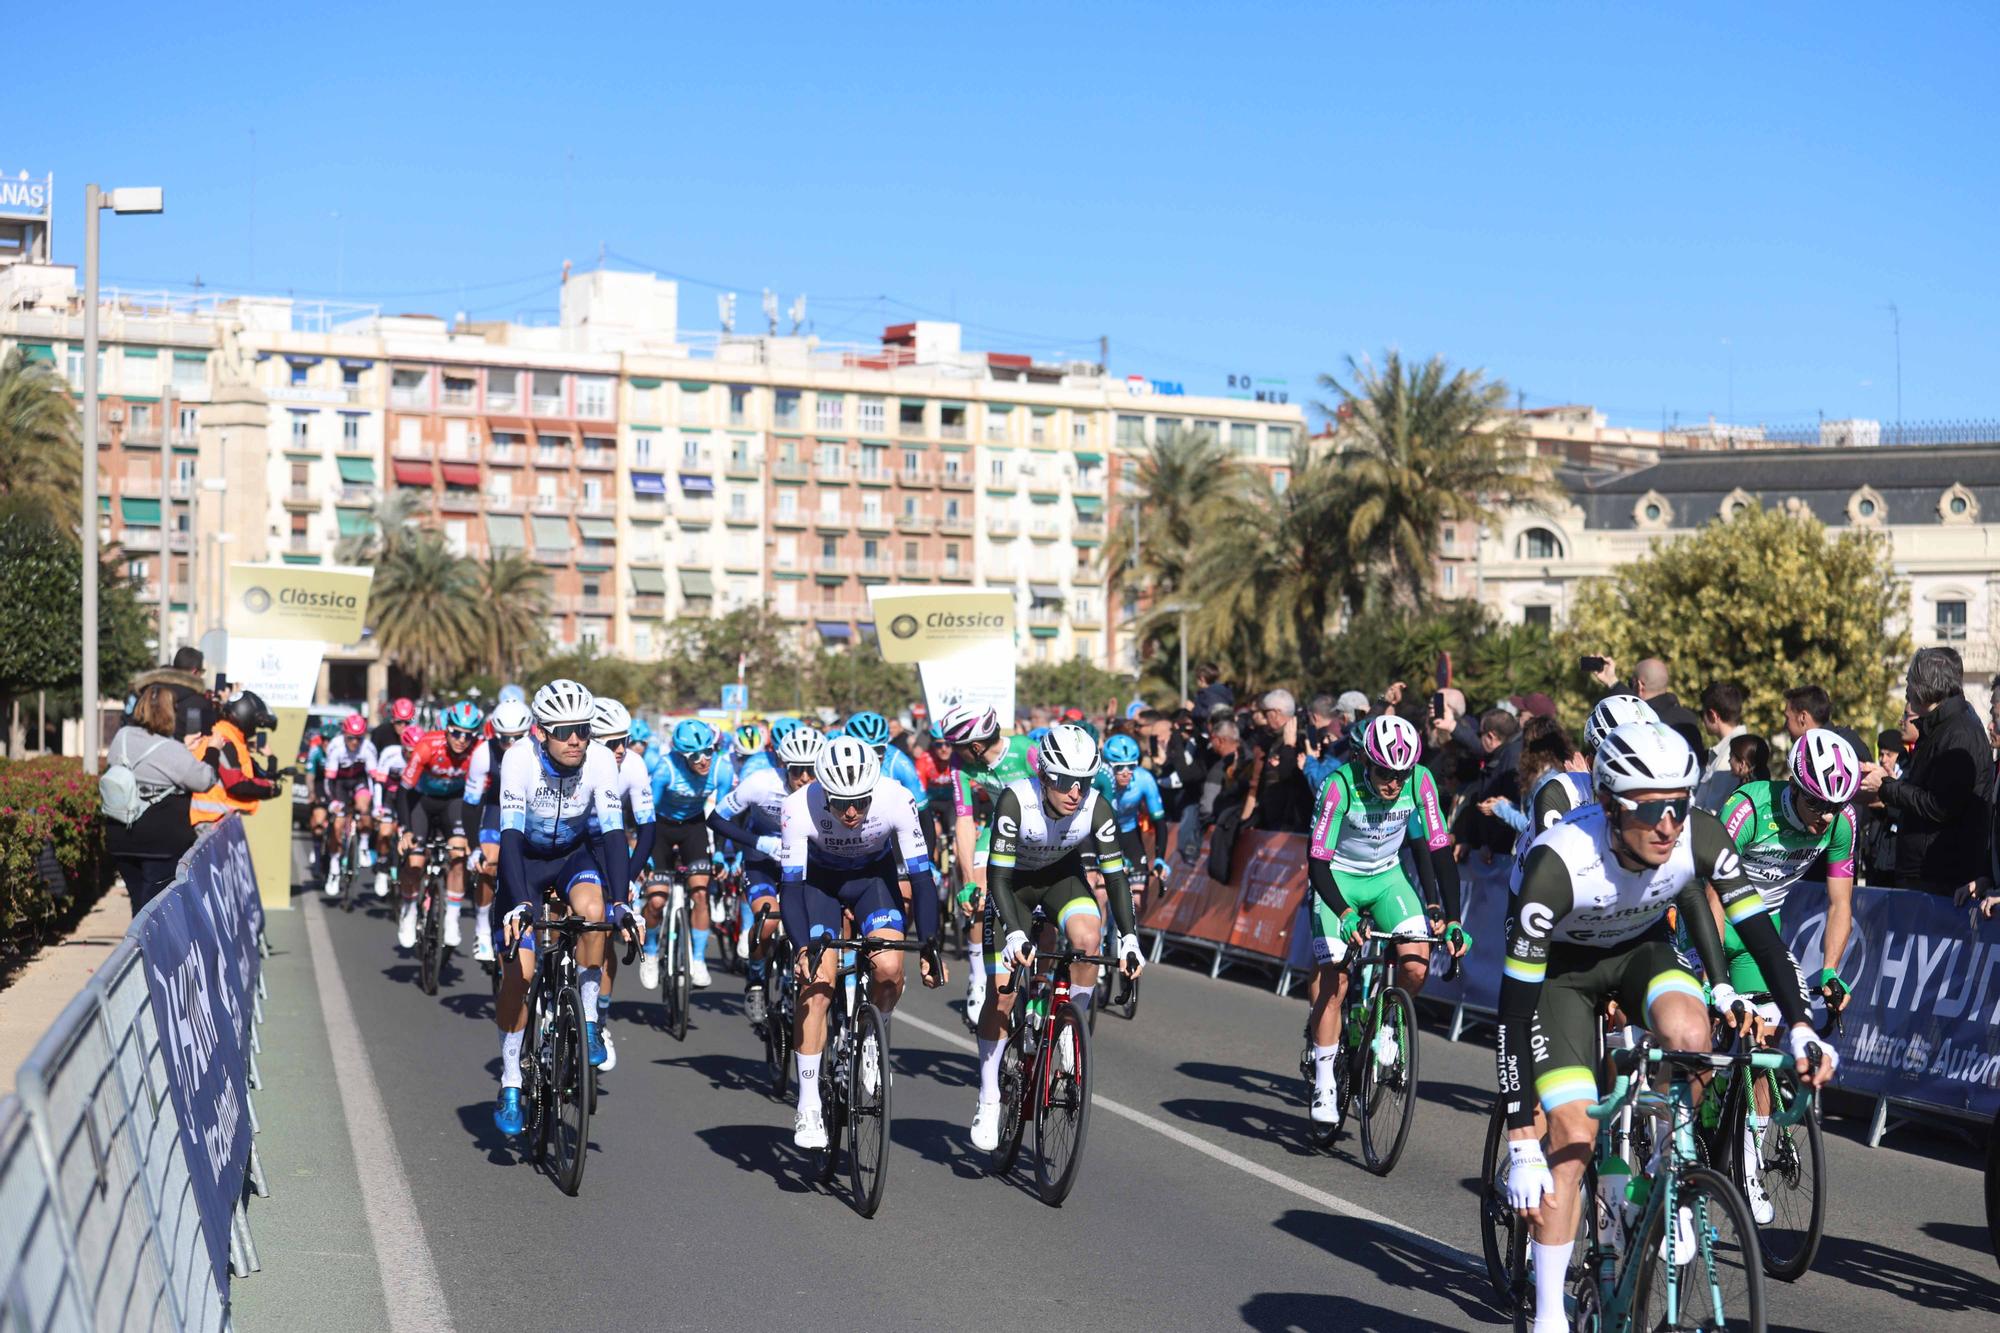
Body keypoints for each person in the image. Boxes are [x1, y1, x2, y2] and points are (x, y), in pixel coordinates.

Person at [1497, 722, 1835, 1333]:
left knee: (1692, 1033)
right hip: (1561, 974)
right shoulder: (1557, 864)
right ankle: (1549, 1314)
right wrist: (1523, 1138)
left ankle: (1664, 1169)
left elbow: (1760, 935)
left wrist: (1802, 1026)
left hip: (1640, 949)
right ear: (1607, 806)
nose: (1668, 825)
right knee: (1570, 1140)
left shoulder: (1698, 836)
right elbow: (1513, 1013)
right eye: (1650, 809)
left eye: (1678, 806)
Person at [1710, 728, 1862, 1223]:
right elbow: (1711, 893)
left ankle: (1748, 1163)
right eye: (1818, 805)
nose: (1827, 818)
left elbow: (1841, 903)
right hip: (1707, 927)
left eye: (1836, 806)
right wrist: (1716, 979)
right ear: (1795, 786)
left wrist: (1833, 970)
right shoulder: (1750, 808)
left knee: (1769, 1040)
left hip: (1761, 940)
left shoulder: (1841, 822)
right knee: (1693, 1039)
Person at [971, 725, 1143, 1150]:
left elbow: (1116, 876)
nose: (1075, 793)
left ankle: (1070, 1033)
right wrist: (1013, 932)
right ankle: (990, 1095)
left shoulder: (1095, 807)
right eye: (1066, 782)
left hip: (1060, 880)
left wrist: (1131, 939)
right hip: (1013, 886)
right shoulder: (1016, 800)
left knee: (1089, 937)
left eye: (1083, 783)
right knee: (1004, 994)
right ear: (1045, 776)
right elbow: (998, 876)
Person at [1302, 713, 1465, 1129]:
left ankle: (1386, 1027)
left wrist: (1453, 918)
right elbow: (1317, 863)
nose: (1394, 783)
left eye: (1401, 773)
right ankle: (1324, 1080)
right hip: (1338, 877)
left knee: (1415, 964)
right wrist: (1344, 913)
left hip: (1387, 877)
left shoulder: (1421, 782)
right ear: (1364, 759)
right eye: (1384, 773)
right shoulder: (1339, 785)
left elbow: (1440, 849)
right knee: (1335, 981)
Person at [780, 736, 943, 1148]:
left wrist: (930, 944)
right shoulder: (798, 806)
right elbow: (791, 889)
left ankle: (876, 1034)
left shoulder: (895, 798)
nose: (851, 812)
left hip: (873, 881)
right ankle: (809, 1104)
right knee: (817, 985)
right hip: (819, 886)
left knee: (889, 968)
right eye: (839, 803)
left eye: (860, 802)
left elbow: (922, 881)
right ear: (824, 793)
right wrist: (802, 947)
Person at [492, 679, 633, 1137]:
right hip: (526, 863)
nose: (576, 739)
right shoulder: (517, 761)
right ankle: (511, 1079)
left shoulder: (598, 761)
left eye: (583, 729)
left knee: (596, 915)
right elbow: (510, 839)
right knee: (522, 972)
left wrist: (621, 901)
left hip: (572, 856)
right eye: (564, 730)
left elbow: (612, 834)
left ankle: (589, 1020)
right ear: (540, 732)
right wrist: (518, 904)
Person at [710, 726, 824, 1027]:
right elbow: (717, 818)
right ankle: (757, 981)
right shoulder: (761, 783)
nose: (804, 778)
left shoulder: (827, 788)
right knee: (768, 918)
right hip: (762, 858)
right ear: (783, 764)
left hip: (805, 862)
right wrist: (756, 843)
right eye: (797, 770)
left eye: (812, 770)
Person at [1858, 647, 1994, 896]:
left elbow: (1939, 805)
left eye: (1911, 680)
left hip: (1939, 877)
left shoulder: (1958, 733)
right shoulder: (1941, 727)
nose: (1907, 689)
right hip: (1924, 873)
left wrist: (1886, 786)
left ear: (1925, 685)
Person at [938, 701, 1037, 1025]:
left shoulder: (1026, 751)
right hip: (998, 829)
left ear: (976, 746)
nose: (951, 751)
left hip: (1039, 832)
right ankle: (978, 975)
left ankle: (1042, 985)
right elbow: (964, 821)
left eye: (956, 745)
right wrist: (968, 882)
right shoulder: (960, 764)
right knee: (978, 897)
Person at [104, 683, 218, 911]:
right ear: (171, 712)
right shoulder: (173, 750)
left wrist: (182, 746)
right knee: (154, 910)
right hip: (162, 843)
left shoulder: (122, 738)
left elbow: (147, 760)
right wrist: (212, 749)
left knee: (139, 904)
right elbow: (205, 780)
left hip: (121, 837)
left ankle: (136, 945)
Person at [395, 701, 482, 952]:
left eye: (468, 735)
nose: (461, 740)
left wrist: (471, 836)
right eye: (456, 732)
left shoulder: (477, 751)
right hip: (421, 802)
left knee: (457, 854)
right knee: (415, 862)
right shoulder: (427, 745)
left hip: (454, 803)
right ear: (447, 729)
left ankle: (452, 918)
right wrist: (406, 829)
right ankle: (409, 911)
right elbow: (403, 791)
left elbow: (480, 797)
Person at [643, 719, 722, 989]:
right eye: (695, 756)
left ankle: (698, 959)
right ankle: (651, 951)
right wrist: (645, 853)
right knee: (656, 900)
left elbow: (722, 817)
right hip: (661, 828)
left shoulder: (719, 769)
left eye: (708, 751)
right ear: (681, 755)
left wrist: (721, 853)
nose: (704, 760)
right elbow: (646, 815)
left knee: (701, 893)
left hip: (693, 827)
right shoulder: (666, 770)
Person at [461, 698, 531, 963]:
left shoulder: (540, 749)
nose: (510, 745)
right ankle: (481, 927)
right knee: (489, 863)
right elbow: (470, 805)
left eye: (517, 738)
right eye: (504, 740)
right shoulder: (482, 753)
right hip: (496, 809)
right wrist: (473, 847)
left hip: (530, 811)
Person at [190, 691, 280, 829]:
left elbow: (252, 774)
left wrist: (271, 760)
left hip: (213, 821)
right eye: (255, 725)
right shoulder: (224, 739)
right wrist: (270, 789)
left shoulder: (227, 735)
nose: (254, 731)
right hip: (207, 823)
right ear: (246, 717)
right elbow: (237, 784)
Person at [317, 714, 378, 897]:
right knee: (337, 824)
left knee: (365, 810)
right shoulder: (335, 748)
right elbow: (329, 781)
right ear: (344, 735)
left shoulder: (368, 749)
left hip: (359, 782)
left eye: (358, 738)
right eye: (350, 738)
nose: (354, 742)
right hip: (340, 784)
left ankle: (364, 845)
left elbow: (374, 779)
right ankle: (334, 868)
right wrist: (333, 802)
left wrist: (376, 803)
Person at [1243, 688, 1314, 833]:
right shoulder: (1271, 740)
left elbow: (1291, 776)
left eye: (1266, 713)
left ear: (1275, 713)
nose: (1264, 719)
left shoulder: (1299, 740)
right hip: (1271, 818)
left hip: (1288, 824)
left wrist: (1289, 747)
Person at [125, 646, 216, 740]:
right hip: (181, 752)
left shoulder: (145, 691)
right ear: (194, 671)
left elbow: (128, 722)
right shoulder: (197, 702)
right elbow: (202, 734)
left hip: (140, 749)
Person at [1781, 684, 1873, 764]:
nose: (1785, 725)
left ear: (1803, 718)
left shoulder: (1817, 755)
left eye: (1787, 718)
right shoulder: (1849, 739)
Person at [1694, 681, 1749, 812]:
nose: (1702, 720)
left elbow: (1711, 815)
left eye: (1702, 714)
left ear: (1713, 715)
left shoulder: (1728, 757)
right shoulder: (1739, 748)